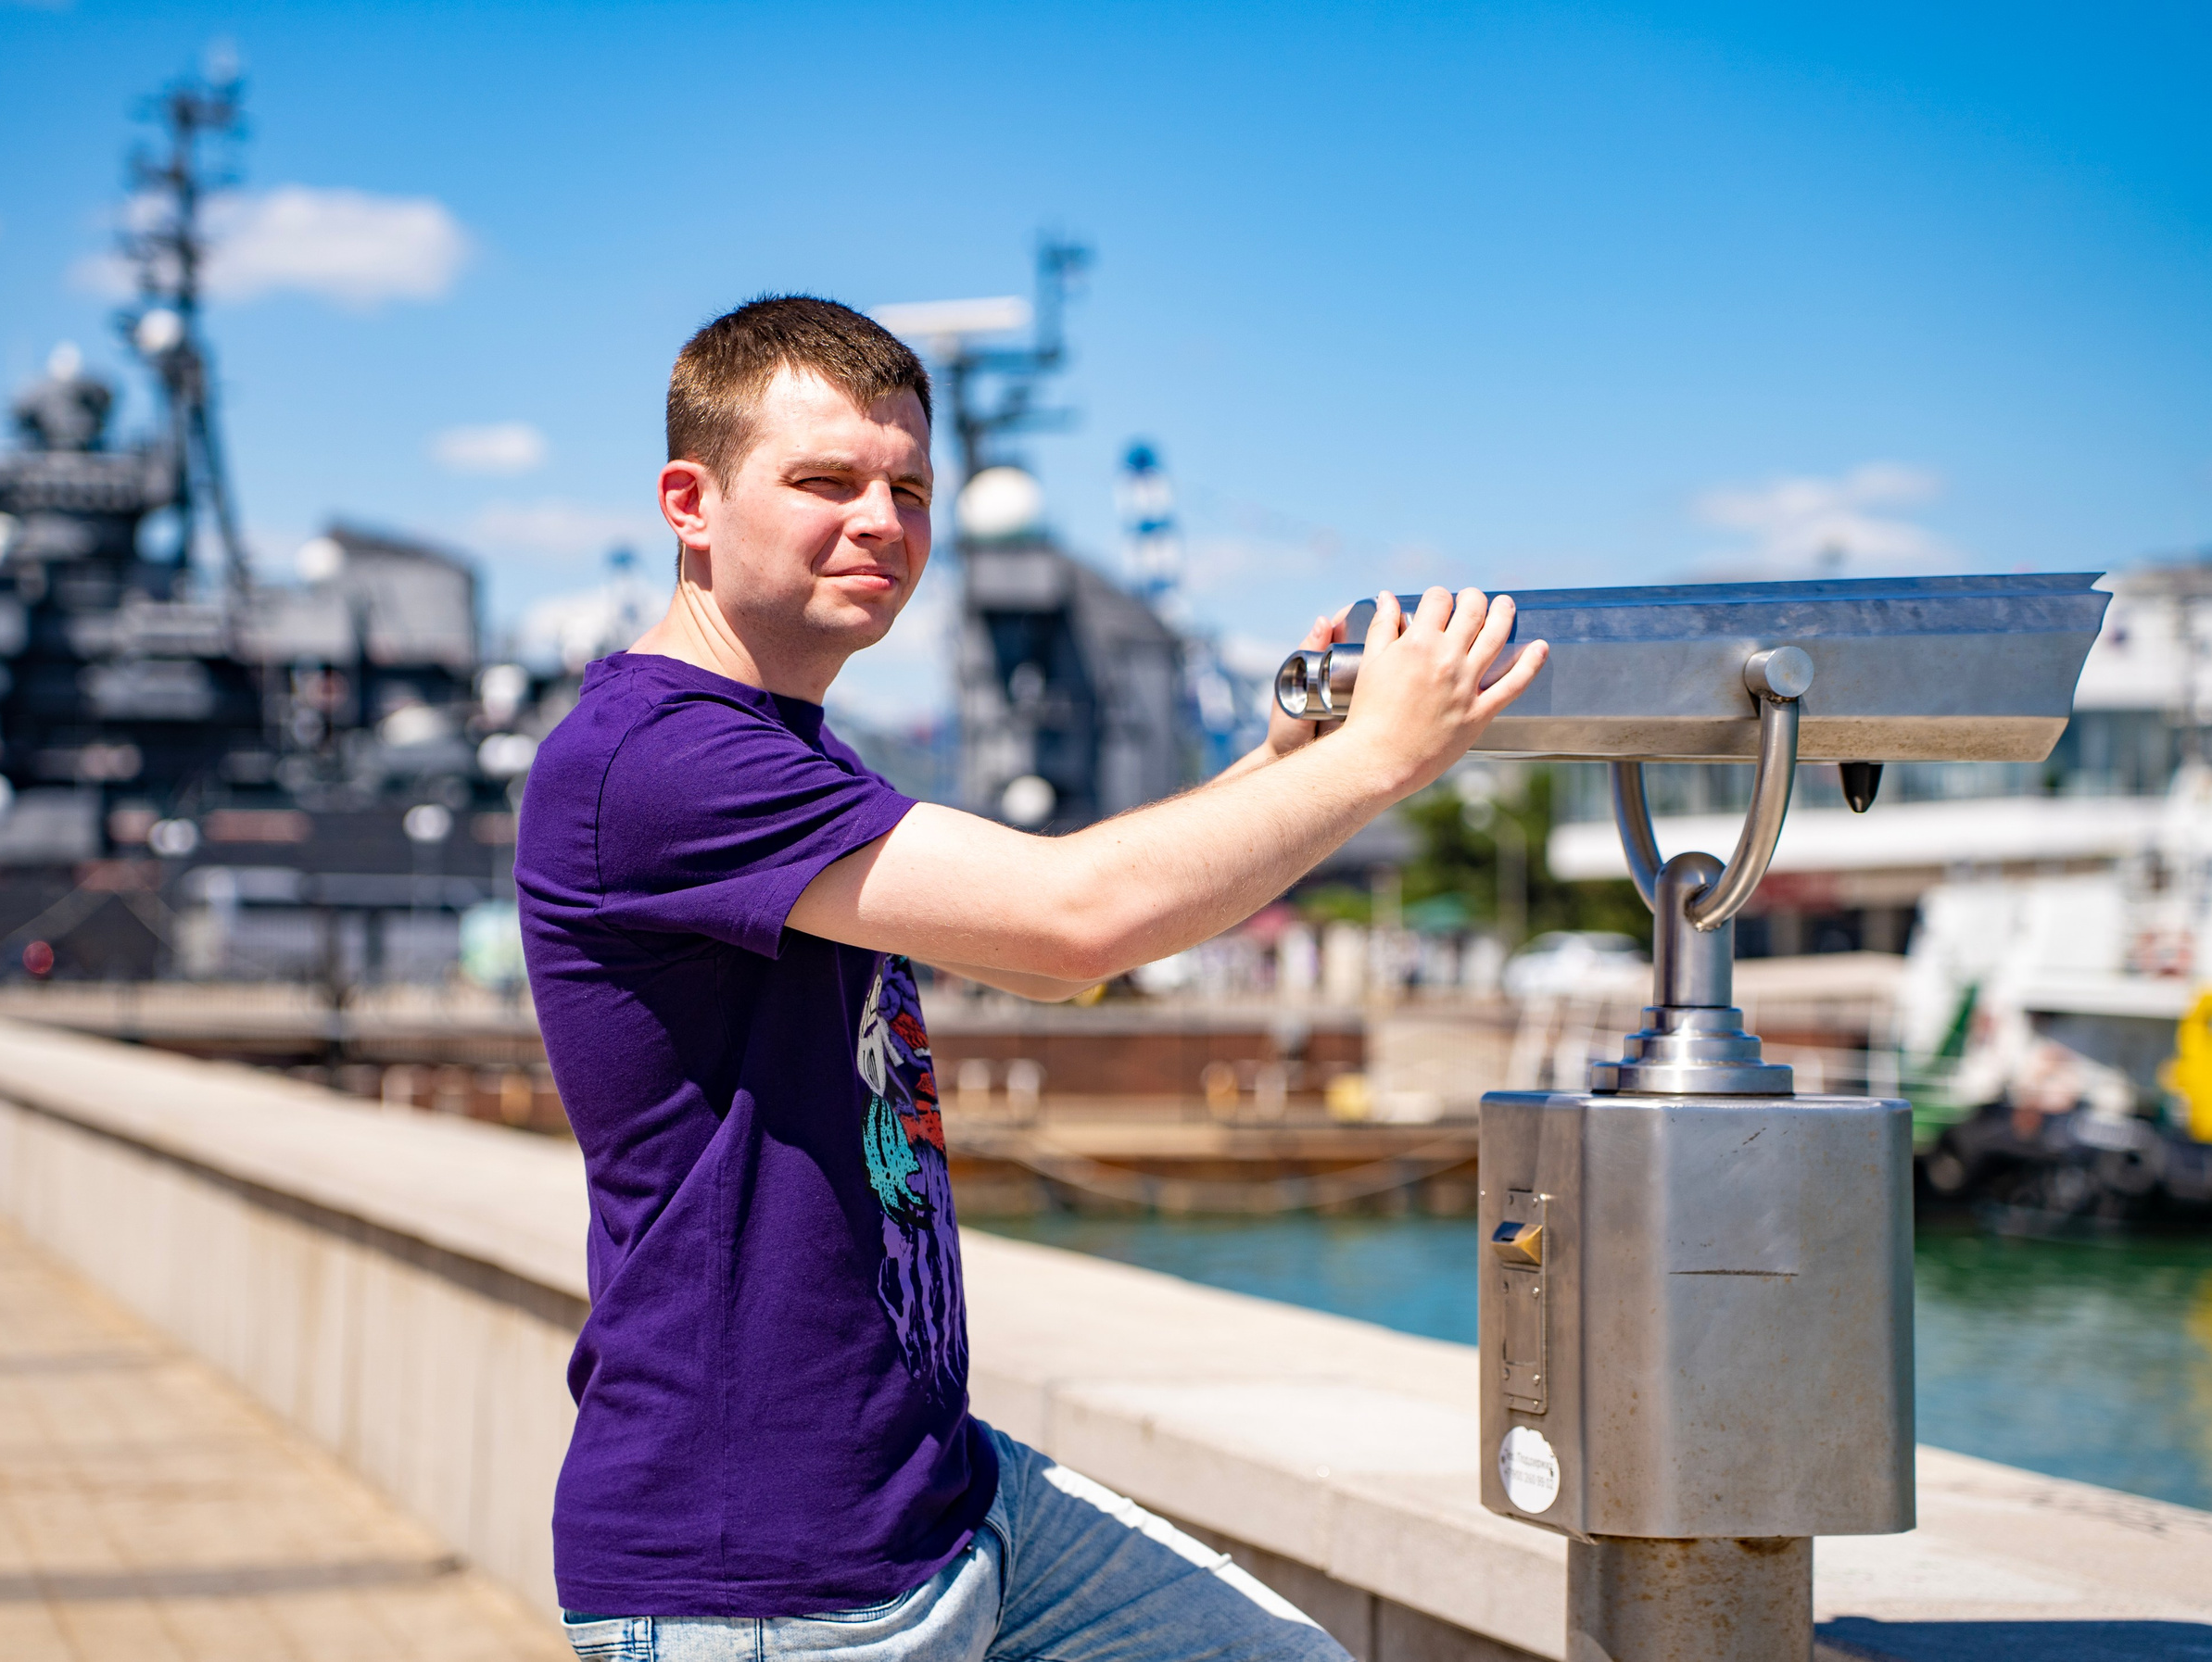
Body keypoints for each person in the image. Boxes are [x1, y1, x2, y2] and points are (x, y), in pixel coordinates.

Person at [515, 296, 1547, 1661]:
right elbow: (1077, 923)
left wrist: (1295, 754)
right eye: (825, 480)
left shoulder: (788, 748)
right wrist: (1384, 760)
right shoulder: (657, 759)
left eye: (909, 487)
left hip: (938, 1499)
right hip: (765, 1578)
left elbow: (1055, 925)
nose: (882, 520)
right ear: (687, 501)